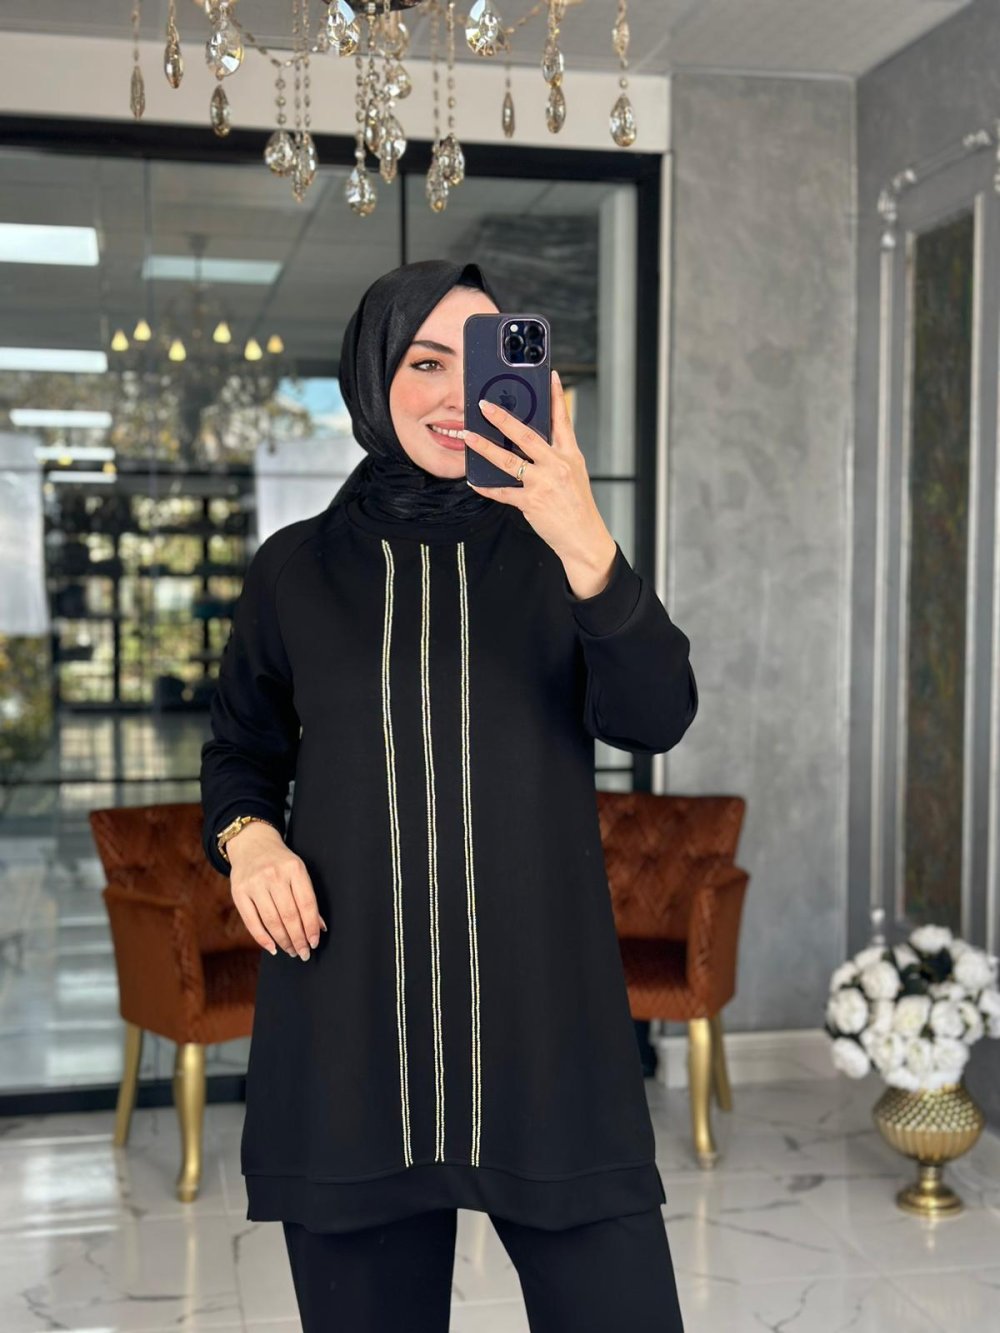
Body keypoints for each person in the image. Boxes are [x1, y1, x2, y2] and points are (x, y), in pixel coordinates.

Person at [200, 259, 697, 1331]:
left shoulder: (562, 555)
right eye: (424, 361)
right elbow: (240, 747)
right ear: (372, 375)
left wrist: (585, 538)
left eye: (478, 360)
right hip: (350, 1034)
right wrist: (251, 842)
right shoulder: (294, 570)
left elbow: (657, 716)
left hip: (547, 1027)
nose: (453, 392)